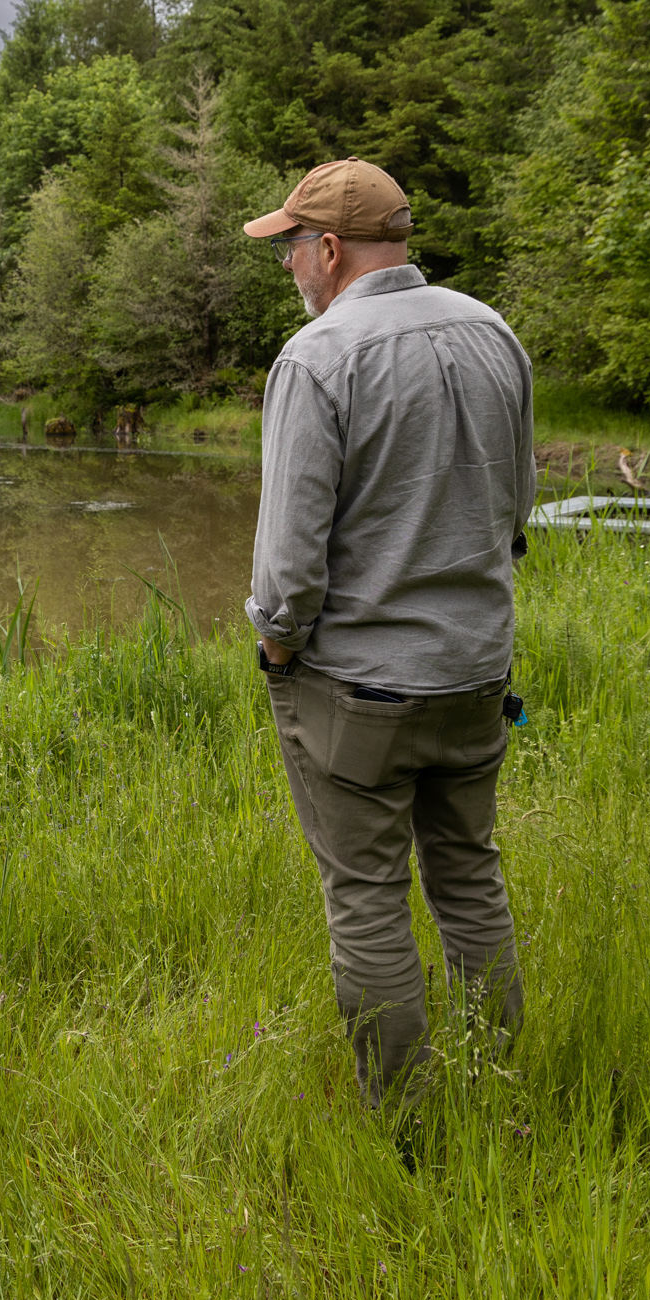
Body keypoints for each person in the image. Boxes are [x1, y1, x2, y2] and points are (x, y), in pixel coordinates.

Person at [243, 158, 537, 1111]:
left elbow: (288, 568)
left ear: (329, 251)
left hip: (358, 687)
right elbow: (516, 509)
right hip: (476, 672)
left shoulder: (320, 356)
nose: (288, 263)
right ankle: (493, 1091)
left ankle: (408, 1126)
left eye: (290, 246)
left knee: (365, 899)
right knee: (469, 883)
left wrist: (278, 651)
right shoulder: (493, 331)